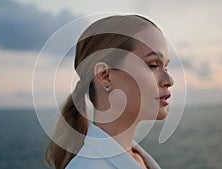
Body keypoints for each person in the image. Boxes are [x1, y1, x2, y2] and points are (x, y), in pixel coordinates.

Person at [45, 14, 174, 169]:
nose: (169, 80)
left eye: (165, 66)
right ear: (104, 75)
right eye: (153, 65)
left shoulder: (139, 159)